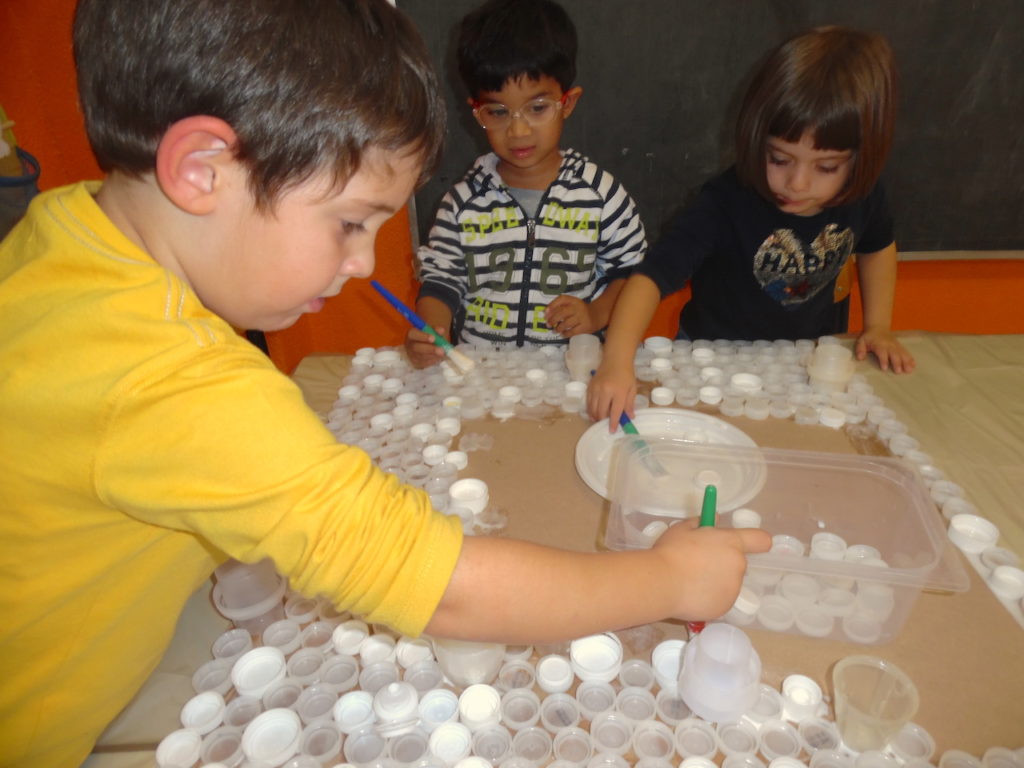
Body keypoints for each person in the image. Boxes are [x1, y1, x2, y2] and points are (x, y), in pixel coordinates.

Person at [0, 0, 768, 765]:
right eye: (349, 223)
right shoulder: (167, 382)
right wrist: (666, 578)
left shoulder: (61, 232)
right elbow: (447, 588)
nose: (366, 264)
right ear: (201, 169)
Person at [589, 26, 916, 428]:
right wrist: (617, 362)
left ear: (861, 159)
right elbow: (650, 278)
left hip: (803, 361)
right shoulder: (726, 200)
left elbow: (878, 245)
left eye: (826, 167)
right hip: (710, 361)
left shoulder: (863, 194)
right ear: (757, 138)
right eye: (779, 159)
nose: (797, 183)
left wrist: (878, 325)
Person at [406, 0, 646, 368]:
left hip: (569, 377)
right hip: (483, 378)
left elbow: (632, 273)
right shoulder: (462, 203)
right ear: (476, 111)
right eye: (498, 112)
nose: (517, 130)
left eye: (537, 108)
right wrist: (431, 325)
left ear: (568, 102)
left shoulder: (601, 195)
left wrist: (596, 313)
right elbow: (441, 281)